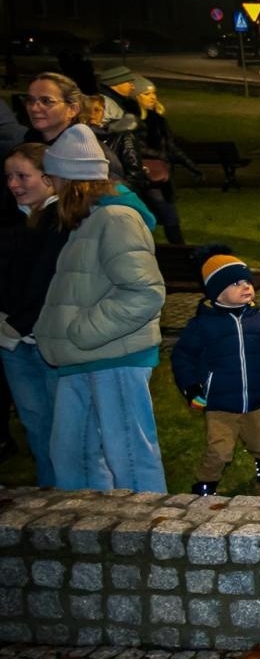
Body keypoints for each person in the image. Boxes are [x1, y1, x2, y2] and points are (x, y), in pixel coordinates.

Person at [32, 125, 166, 493]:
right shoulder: (90, 219)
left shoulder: (115, 219)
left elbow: (143, 292)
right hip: (86, 357)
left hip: (112, 357)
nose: (51, 184)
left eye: (53, 175)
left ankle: (149, 539)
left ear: (72, 179)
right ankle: (91, 537)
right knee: (75, 457)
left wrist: (80, 331)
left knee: (131, 460)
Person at [171, 251, 260, 495]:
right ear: (217, 292)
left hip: (257, 399)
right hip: (220, 402)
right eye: (236, 283)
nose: (246, 287)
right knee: (220, 449)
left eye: (247, 282)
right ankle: (205, 484)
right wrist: (191, 387)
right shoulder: (202, 325)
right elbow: (183, 358)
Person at [1, 143, 66, 485]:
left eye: (22, 176)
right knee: (35, 422)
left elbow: (45, 283)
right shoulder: (20, 220)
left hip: (44, 342)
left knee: (63, 425)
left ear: (50, 178)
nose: (13, 184)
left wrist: (12, 325)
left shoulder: (60, 222)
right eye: (9, 177)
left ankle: (74, 497)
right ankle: (49, 495)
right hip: (15, 343)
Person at [128, 76, 203, 245]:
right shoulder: (132, 122)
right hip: (145, 177)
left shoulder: (159, 121)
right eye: (147, 94)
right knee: (162, 214)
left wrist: (191, 166)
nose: (153, 97)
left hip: (160, 177)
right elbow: (136, 148)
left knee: (168, 216)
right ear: (137, 96)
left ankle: (178, 251)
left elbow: (171, 148)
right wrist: (161, 155)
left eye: (154, 93)